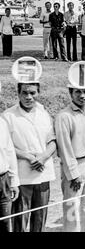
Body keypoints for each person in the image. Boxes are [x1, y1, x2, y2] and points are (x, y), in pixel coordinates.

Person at [2, 61, 56, 232]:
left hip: (43, 172)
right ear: (18, 93)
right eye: (24, 93)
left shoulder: (44, 113)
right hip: (23, 174)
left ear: (38, 92)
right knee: (20, 219)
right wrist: (28, 156)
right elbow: (6, 147)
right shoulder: (8, 116)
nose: (28, 97)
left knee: (40, 219)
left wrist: (44, 156)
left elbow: (53, 141)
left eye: (32, 93)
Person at [54, 62, 85, 232]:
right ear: (70, 93)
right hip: (74, 167)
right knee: (72, 210)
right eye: (78, 92)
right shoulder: (64, 116)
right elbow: (64, 149)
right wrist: (74, 175)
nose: (82, 96)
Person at [0, 110, 20, 232]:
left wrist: (14, 181)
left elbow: (9, 152)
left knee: (5, 223)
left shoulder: (1, 123)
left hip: (3, 180)